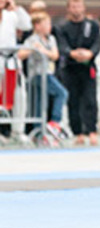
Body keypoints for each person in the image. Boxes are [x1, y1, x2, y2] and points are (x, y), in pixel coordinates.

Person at [55, 0, 100, 146]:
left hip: (88, 68)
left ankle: (92, 131)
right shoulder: (62, 27)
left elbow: (97, 44)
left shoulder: (92, 25)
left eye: (79, 6)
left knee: (90, 99)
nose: (76, 9)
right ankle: (78, 132)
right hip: (70, 68)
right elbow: (62, 46)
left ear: (84, 7)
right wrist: (72, 54)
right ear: (68, 8)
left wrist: (90, 53)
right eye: (73, 6)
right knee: (73, 100)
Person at [16, 12, 68, 141]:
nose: (49, 26)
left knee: (52, 98)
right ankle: (47, 126)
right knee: (59, 94)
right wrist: (32, 49)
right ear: (37, 26)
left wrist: (43, 50)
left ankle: (49, 125)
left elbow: (55, 55)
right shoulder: (31, 40)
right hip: (37, 75)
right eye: (46, 24)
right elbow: (20, 54)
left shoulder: (51, 39)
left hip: (49, 73)